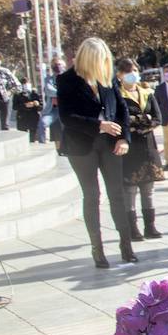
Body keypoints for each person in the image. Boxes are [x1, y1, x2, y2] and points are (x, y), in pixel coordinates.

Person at [57, 37, 135, 268]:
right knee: (92, 196)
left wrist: (124, 138)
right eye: (100, 60)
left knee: (117, 194)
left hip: (110, 144)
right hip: (82, 146)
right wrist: (98, 125)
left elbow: (122, 109)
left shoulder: (107, 78)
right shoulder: (67, 80)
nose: (104, 64)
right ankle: (98, 249)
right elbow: (67, 117)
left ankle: (126, 246)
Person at [116, 58, 163, 241]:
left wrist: (141, 121)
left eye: (134, 70)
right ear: (119, 75)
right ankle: (132, 229)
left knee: (148, 189)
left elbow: (157, 117)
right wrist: (141, 120)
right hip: (129, 147)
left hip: (148, 146)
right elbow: (124, 120)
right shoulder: (118, 95)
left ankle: (150, 227)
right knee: (130, 190)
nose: (132, 74)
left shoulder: (147, 92)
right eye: (128, 71)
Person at [41, 55, 65, 143]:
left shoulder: (68, 78)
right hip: (53, 110)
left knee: (66, 128)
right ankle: (42, 144)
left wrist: (58, 93)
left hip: (65, 109)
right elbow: (49, 91)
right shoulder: (48, 79)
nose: (57, 66)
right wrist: (62, 93)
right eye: (55, 64)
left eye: (59, 64)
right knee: (43, 123)